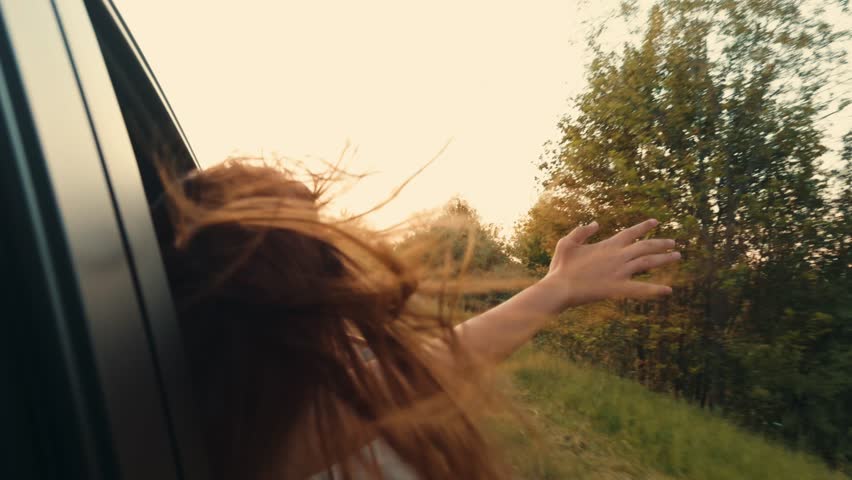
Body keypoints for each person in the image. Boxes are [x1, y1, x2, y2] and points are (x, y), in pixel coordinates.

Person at [153, 159, 681, 480]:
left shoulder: (269, 393)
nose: (328, 237)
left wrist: (555, 289)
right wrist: (555, 290)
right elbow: (413, 377)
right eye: (309, 228)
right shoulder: (259, 435)